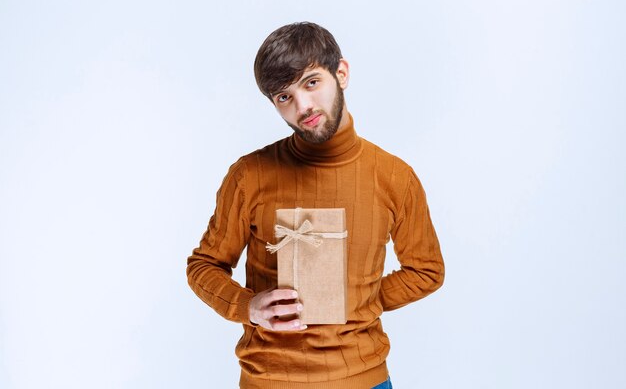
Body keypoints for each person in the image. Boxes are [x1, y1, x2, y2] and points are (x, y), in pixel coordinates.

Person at [187, 22, 445, 389]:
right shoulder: (249, 175)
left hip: (363, 379)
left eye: (311, 82)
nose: (302, 106)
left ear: (341, 73)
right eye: (283, 97)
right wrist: (249, 307)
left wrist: (361, 300)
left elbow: (427, 270)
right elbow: (204, 266)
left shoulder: (394, 177)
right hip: (269, 380)